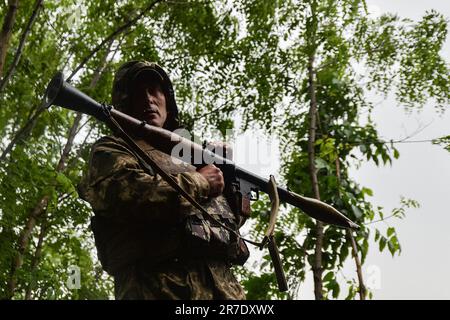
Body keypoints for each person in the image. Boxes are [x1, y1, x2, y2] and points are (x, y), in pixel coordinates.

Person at [79, 60, 249, 300]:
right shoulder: (112, 149)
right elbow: (133, 195)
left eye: (155, 90)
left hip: (224, 291)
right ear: (124, 103)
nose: (149, 99)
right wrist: (200, 182)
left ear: (167, 99)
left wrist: (229, 179)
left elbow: (230, 225)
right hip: (157, 289)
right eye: (139, 93)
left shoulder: (191, 157)